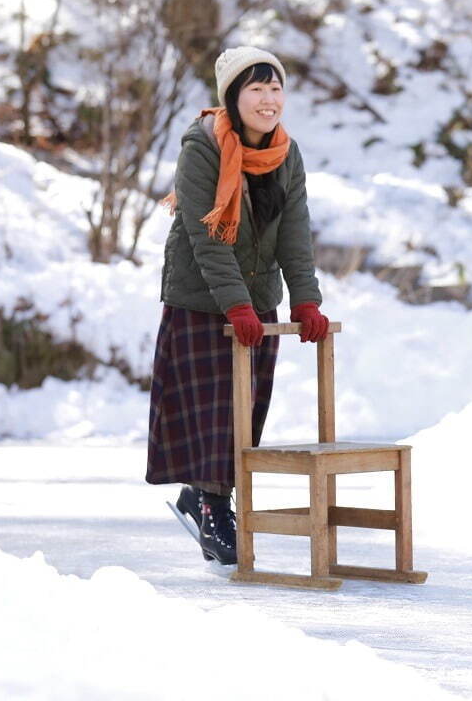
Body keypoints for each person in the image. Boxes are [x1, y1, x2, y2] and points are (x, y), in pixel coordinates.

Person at [146, 46, 330, 566]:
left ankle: (201, 496)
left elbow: (295, 231)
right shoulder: (201, 148)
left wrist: (306, 298)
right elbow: (206, 236)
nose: (268, 101)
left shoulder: (286, 153)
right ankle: (212, 508)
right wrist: (235, 306)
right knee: (216, 411)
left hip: (256, 299)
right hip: (203, 299)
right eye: (256, 89)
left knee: (247, 410)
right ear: (232, 95)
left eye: (275, 89)